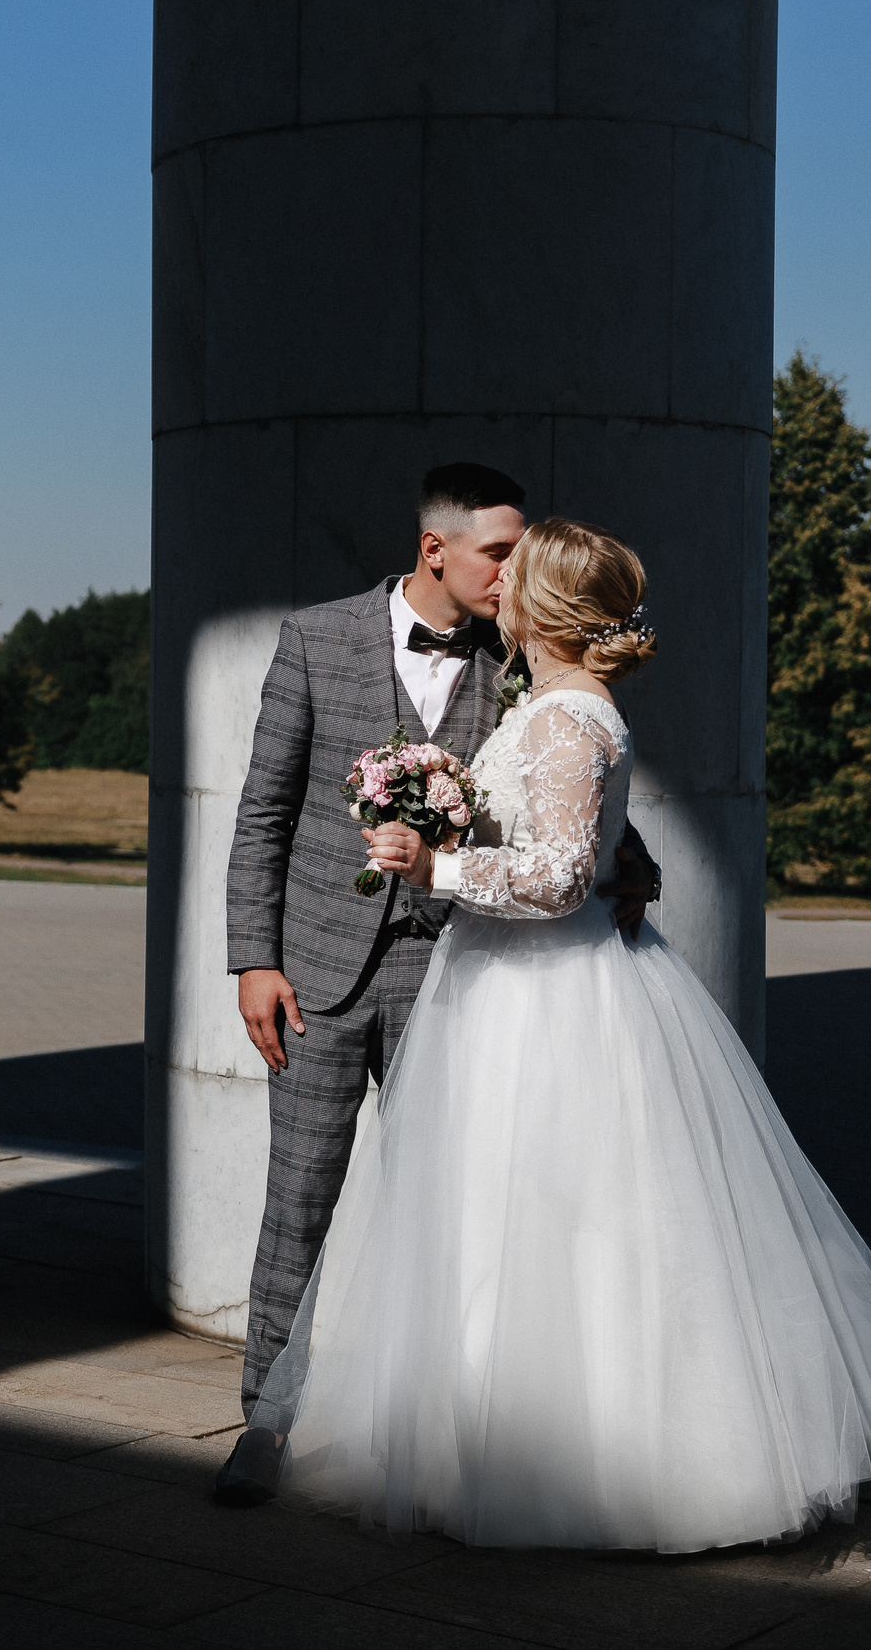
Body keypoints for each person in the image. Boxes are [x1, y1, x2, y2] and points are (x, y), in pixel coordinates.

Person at [242, 519, 871, 1552]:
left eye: (515, 579)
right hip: (498, 988)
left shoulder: (569, 717)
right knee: (487, 1218)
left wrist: (432, 869)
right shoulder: (549, 704)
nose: (500, 593)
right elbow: (571, 844)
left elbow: (560, 880)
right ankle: (469, 1446)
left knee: (562, 1224)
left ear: (545, 608)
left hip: (547, 999)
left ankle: (583, 1465)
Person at [214, 465, 659, 1507]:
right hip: (316, 974)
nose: (512, 576)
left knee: (448, 1213)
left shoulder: (524, 665)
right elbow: (261, 815)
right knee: (301, 1203)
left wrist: (630, 864)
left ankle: (420, 1428)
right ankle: (263, 1426)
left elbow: (566, 791)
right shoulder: (314, 639)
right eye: (500, 554)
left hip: (459, 978)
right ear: (436, 550)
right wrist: (253, 960)